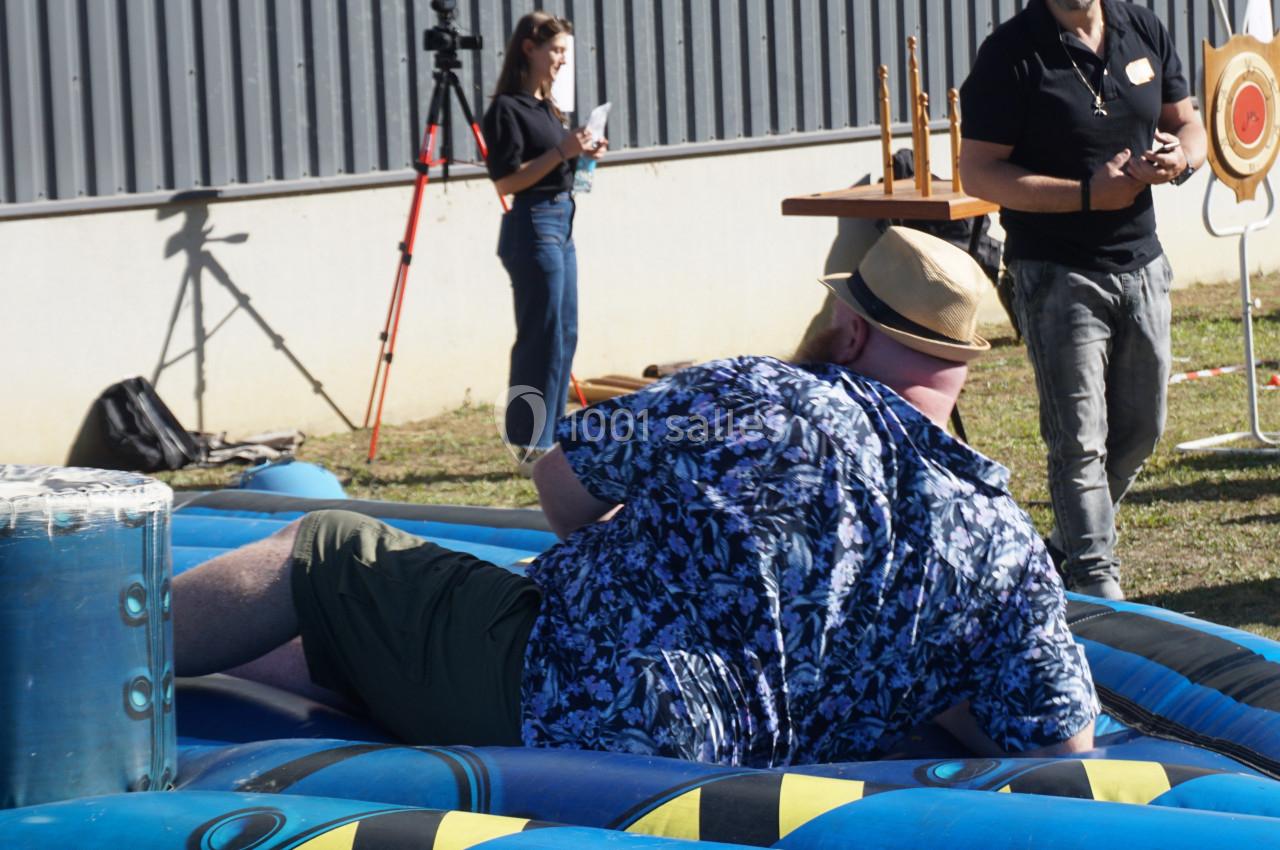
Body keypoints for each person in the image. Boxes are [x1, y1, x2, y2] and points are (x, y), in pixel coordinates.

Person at [174, 228, 1098, 768]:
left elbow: (561, 494)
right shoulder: (1005, 547)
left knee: (331, 546)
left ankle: (80, 659)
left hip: (569, 698)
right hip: (748, 775)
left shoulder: (752, 394)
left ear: (850, 332)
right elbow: (1061, 746)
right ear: (962, 369)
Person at [958, 0, 1207, 600]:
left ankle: (1066, 548)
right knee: (1079, 442)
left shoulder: (1140, 26)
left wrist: (1183, 158)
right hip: (1056, 274)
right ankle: (1098, 593)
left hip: (1142, 264)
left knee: (1144, 429)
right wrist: (1088, 195)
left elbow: (1189, 122)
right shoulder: (1010, 53)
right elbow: (979, 174)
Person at [481, 12, 608, 470]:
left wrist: (584, 154)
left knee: (564, 332)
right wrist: (562, 151)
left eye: (564, 52)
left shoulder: (549, 107)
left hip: (561, 221)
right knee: (541, 335)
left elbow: (557, 165)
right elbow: (507, 183)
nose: (560, 60)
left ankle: (552, 437)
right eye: (555, 50)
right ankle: (531, 442)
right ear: (528, 49)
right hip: (533, 225)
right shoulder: (507, 110)